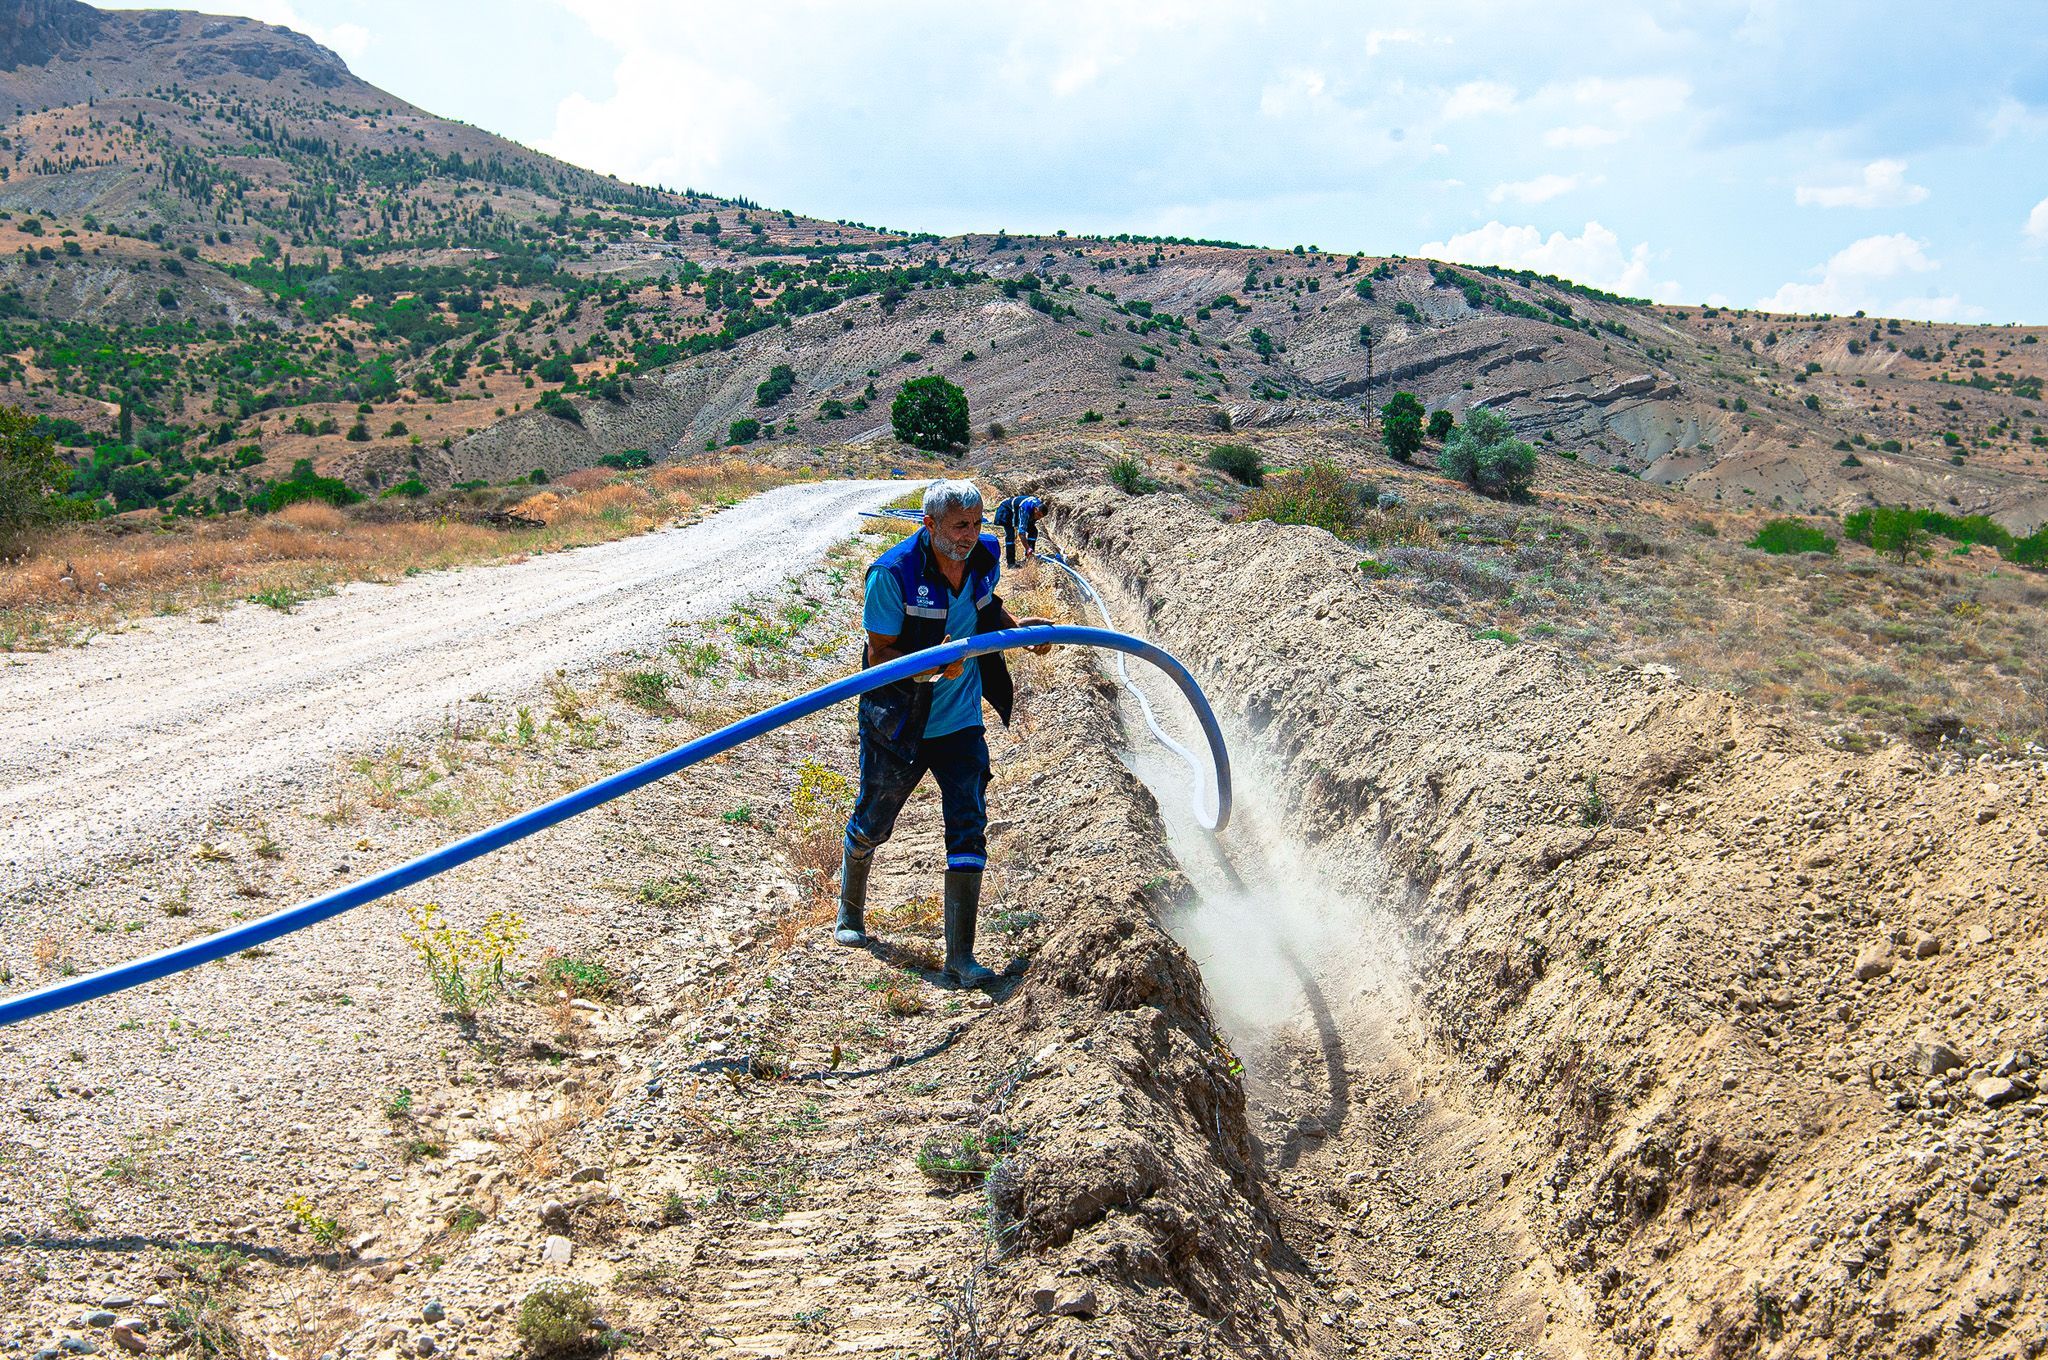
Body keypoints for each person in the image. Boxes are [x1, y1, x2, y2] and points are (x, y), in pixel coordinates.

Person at [837, 480, 1053, 986]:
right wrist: (932, 668)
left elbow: (984, 605)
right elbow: (878, 657)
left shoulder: (982, 554)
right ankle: (850, 911)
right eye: (960, 525)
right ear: (929, 524)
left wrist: (1020, 629)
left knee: (968, 822)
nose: (971, 534)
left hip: (959, 722)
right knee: (874, 819)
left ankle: (960, 957)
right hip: (901, 722)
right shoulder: (893, 574)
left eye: (977, 523)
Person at [990, 493, 1021, 567]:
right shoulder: (1023, 504)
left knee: (1011, 536)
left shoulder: (1024, 503)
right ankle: (1010, 563)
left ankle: (1011, 562)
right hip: (1005, 514)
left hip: (1009, 514)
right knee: (1010, 537)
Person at [1016, 493, 1046, 561]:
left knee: (1033, 531)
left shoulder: (1038, 507)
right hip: (1015, 512)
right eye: (1038, 515)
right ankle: (1028, 552)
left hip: (1030, 512)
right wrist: (1027, 548)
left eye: (1041, 517)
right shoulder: (1025, 511)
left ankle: (1029, 555)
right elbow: (1021, 533)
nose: (1039, 518)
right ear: (1035, 510)